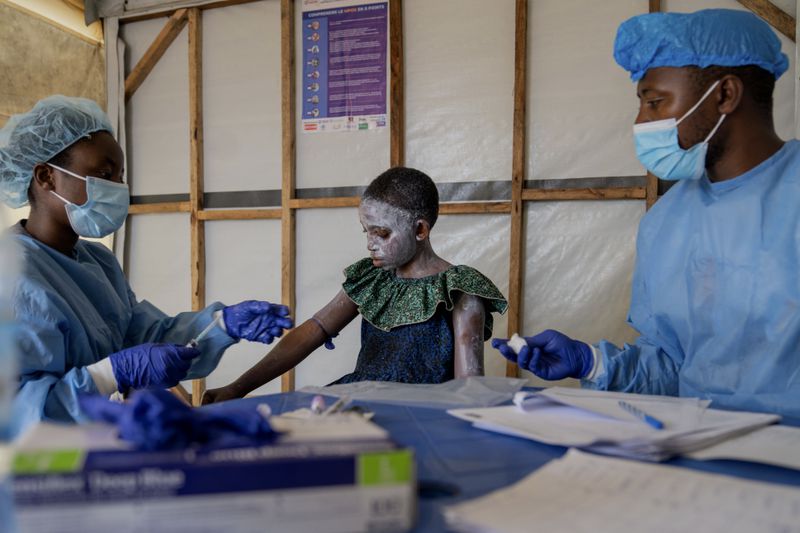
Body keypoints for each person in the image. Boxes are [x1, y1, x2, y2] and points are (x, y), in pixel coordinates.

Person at [493, 9, 800, 417]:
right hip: (701, 447)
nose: (641, 121)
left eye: (655, 103)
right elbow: (672, 365)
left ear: (725, 94)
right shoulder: (666, 222)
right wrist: (591, 362)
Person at [0, 95, 294, 435]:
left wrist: (221, 325)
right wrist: (111, 373)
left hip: (101, 443)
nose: (117, 188)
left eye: (120, 175)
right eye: (103, 173)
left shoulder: (98, 261)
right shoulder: (12, 273)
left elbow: (144, 339)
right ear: (46, 176)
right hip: (38, 467)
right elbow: (18, 410)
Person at [203, 167, 507, 403]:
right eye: (366, 232)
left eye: (382, 234)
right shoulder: (371, 279)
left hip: (423, 410)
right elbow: (310, 333)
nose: (370, 245)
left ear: (420, 229)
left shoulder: (458, 289)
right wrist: (237, 387)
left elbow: (470, 385)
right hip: (360, 400)